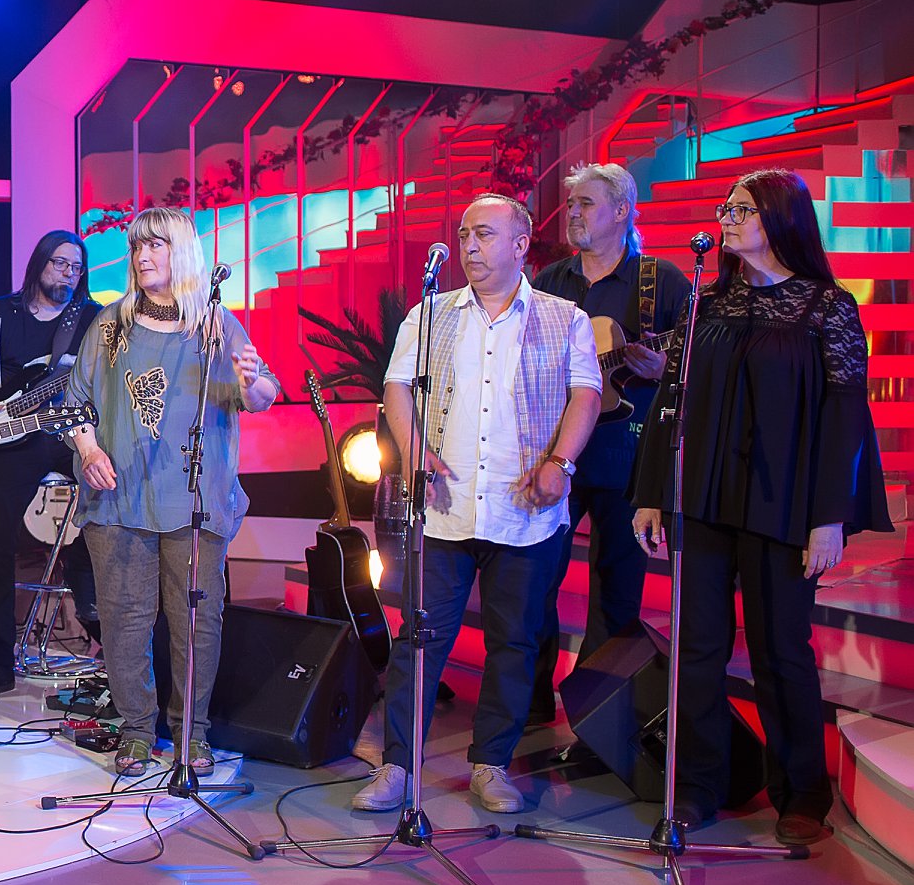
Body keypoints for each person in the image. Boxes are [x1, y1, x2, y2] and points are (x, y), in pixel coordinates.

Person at [633, 168, 888, 845]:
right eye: (726, 207)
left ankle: (801, 792)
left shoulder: (825, 307)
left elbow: (845, 417)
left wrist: (828, 517)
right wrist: (652, 493)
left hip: (784, 504)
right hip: (703, 498)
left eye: (742, 209)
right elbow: (669, 402)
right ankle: (695, 787)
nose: (727, 218)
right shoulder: (706, 304)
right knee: (698, 647)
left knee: (781, 650)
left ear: (780, 218)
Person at [354, 193, 600, 814]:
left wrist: (560, 463)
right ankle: (398, 766)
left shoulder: (564, 317)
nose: (469, 246)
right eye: (464, 234)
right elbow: (396, 388)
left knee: (514, 644)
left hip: (525, 512)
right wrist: (414, 452)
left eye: (484, 235)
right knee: (419, 639)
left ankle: (491, 765)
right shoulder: (431, 313)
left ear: (520, 245)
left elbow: (587, 395)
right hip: (446, 507)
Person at [64, 207, 278, 778]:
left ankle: (192, 732)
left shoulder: (214, 323)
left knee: (196, 623)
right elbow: (75, 403)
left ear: (181, 251)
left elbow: (260, 395)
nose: (142, 256)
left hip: (195, 501)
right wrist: (89, 450)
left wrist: (252, 379)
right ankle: (137, 730)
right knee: (124, 621)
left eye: (155, 245)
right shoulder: (110, 325)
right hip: (119, 499)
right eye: (137, 246)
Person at [530, 163, 691, 720]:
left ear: (622, 211)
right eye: (571, 204)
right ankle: (531, 704)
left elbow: (699, 360)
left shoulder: (661, 281)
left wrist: (665, 366)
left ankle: (595, 717)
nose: (573, 213)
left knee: (617, 593)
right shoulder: (549, 281)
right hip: (557, 453)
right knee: (534, 580)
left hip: (630, 458)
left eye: (586, 204)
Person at [0, 230, 101, 701]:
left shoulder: (92, 319)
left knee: (110, 509)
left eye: (76, 267)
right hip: (10, 439)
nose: (69, 274)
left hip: (70, 432)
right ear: (39, 264)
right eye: (60, 264)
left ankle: (104, 635)